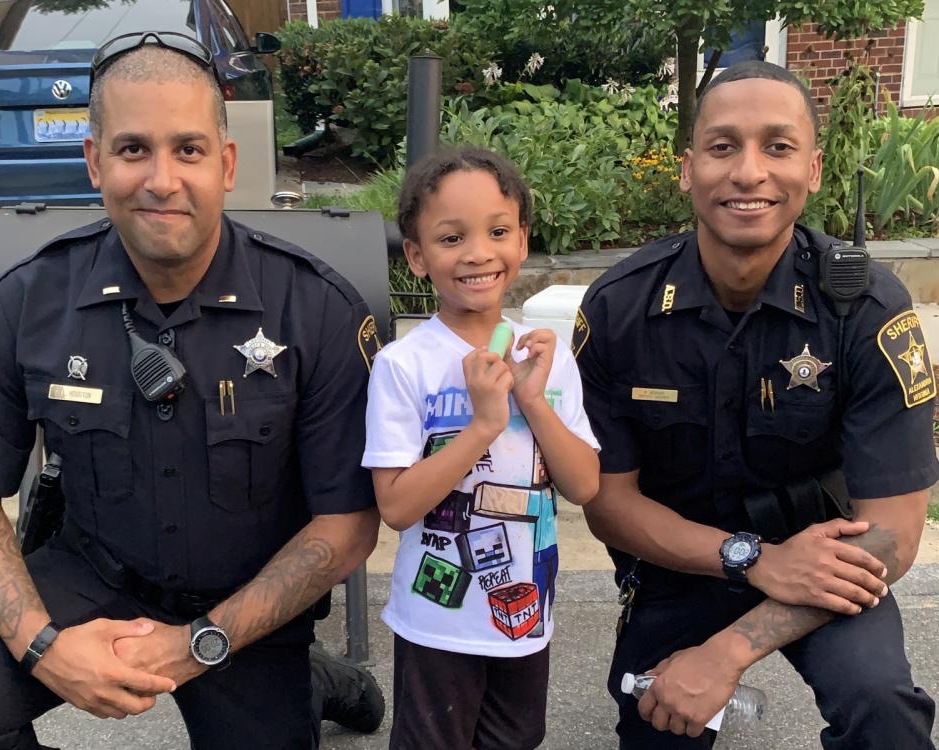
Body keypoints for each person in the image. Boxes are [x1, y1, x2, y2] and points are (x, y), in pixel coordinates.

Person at [0, 32, 384, 750]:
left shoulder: (315, 309)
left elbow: (348, 524)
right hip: (90, 577)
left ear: (227, 163)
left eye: (188, 149)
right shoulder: (30, 300)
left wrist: (200, 643)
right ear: (94, 162)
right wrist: (43, 643)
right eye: (133, 149)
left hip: (248, 610)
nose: (161, 179)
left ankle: (314, 682)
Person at [574, 60, 939, 749]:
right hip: (679, 563)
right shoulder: (621, 309)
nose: (748, 172)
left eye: (777, 146)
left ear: (815, 168)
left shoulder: (864, 309)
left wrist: (731, 650)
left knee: (882, 708)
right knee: (657, 726)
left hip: (824, 565)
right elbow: (608, 504)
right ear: (686, 169)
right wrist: (750, 558)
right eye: (722, 147)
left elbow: (894, 535)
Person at [363, 146, 601, 750]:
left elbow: (583, 486)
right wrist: (482, 427)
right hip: (437, 623)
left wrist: (534, 400)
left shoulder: (546, 358)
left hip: (525, 622)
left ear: (523, 240)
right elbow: (396, 507)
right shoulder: (403, 365)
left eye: (498, 231)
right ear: (416, 256)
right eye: (450, 238)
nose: (477, 253)